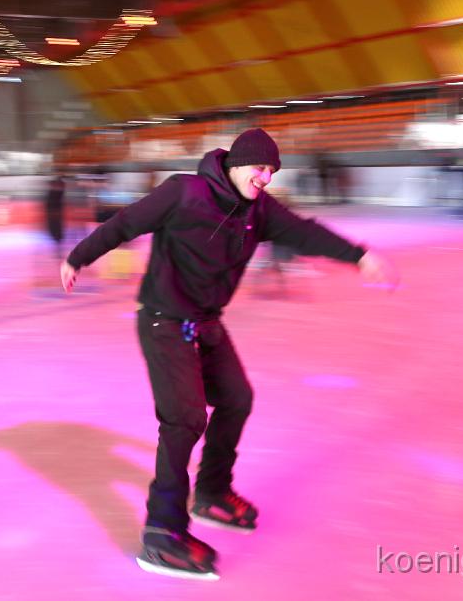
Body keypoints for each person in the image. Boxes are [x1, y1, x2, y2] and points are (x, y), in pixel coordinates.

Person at [59, 128, 399, 580]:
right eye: (260, 167)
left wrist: (359, 256)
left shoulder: (260, 211)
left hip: (206, 322)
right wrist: (78, 257)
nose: (266, 177)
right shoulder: (184, 192)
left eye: (272, 171)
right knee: (184, 420)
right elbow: (126, 223)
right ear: (237, 164)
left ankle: (212, 493)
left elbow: (303, 232)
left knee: (236, 399)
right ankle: (162, 535)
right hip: (164, 321)